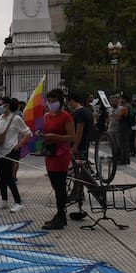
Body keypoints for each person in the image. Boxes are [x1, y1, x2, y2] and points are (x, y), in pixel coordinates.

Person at [41, 89, 75, 230]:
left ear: (60, 101)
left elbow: (71, 136)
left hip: (61, 154)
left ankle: (61, 215)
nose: (50, 104)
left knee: (60, 186)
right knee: (55, 186)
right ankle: (60, 214)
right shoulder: (48, 116)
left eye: (53, 101)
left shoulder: (65, 116)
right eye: (49, 101)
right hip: (50, 153)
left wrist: (54, 137)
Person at [0, 97, 32, 213]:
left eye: (0, 104)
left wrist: (19, 145)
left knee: (9, 178)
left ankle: (18, 202)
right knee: (0, 176)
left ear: (7, 106)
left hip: (8, 151)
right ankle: (4, 200)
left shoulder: (16, 119)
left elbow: (28, 133)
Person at [68, 92, 93, 160]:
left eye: (69, 102)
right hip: (85, 142)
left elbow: (79, 130)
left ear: (72, 101)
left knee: (78, 164)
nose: (69, 105)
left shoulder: (79, 113)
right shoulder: (87, 111)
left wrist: (75, 145)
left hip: (79, 144)